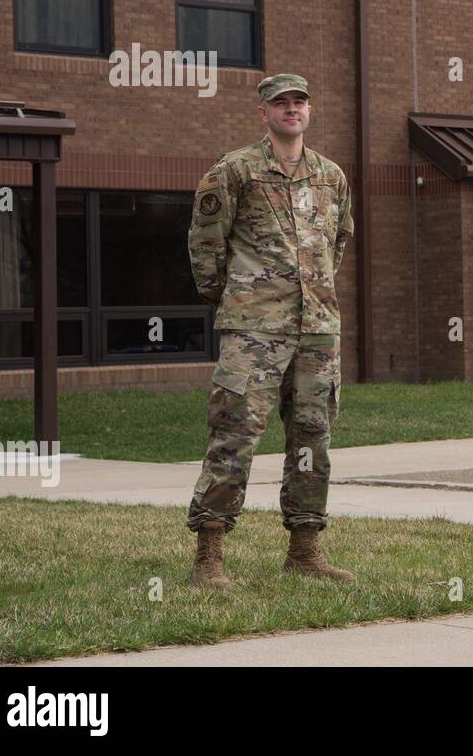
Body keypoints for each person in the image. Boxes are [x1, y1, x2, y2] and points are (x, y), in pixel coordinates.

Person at [185, 73, 356, 588]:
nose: (292, 109)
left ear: (310, 109)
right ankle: (209, 556)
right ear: (263, 112)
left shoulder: (331, 177)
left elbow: (337, 244)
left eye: (300, 101)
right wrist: (240, 300)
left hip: (317, 330)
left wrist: (312, 296)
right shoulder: (235, 171)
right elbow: (205, 247)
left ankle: (305, 551)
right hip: (254, 329)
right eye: (281, 103)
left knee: (313, 437)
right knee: (234, 435)